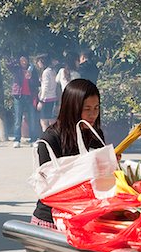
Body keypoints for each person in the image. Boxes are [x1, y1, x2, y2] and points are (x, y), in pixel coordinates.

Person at [31, 79, 104, 228]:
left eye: (96, 108)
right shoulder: (50, 139)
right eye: (87, 109)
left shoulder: (95, 134)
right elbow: (51, 187)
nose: (93, 115)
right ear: (72, 108)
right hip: (51, 220)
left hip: (83, 218)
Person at [8, 54, 39, 148]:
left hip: (30, 96)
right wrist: (14, 59)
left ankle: (33, 139)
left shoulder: (32, 70)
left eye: (25, 60)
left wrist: (31, 78)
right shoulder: (16, 70)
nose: (24, 62)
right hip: (19, 96)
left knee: (32, 118)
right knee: (18, 118)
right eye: (21, 61)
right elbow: (9, 65)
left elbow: (37, 83)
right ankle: (17, 139)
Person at [36, 54, 58, 134]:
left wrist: (41, 101)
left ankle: (46, 138)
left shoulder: (46, 72)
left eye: (38, 61)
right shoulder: (53, 71)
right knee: (51, 120)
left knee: (44, 121)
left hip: (46, 99)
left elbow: (45, 87)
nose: (38, 64)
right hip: (53, 98)